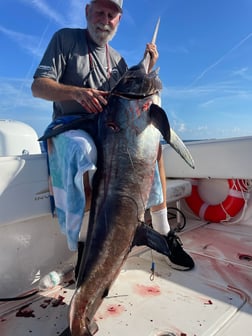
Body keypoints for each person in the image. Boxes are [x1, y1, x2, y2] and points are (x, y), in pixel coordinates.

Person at [31, 0, 194, 271]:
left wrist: (149, 65)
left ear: (119, 20)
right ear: (87, 11)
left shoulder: (118, 61)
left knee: (154, 147)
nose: (105, 19)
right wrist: (75, 93)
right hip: (70, 127)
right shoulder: (65, 40)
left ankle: (164, 232)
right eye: (100, 12)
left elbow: (128, 95)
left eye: (112, 14)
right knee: (83, 151)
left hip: (108, 129)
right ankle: (86, 245)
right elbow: (38, 86)